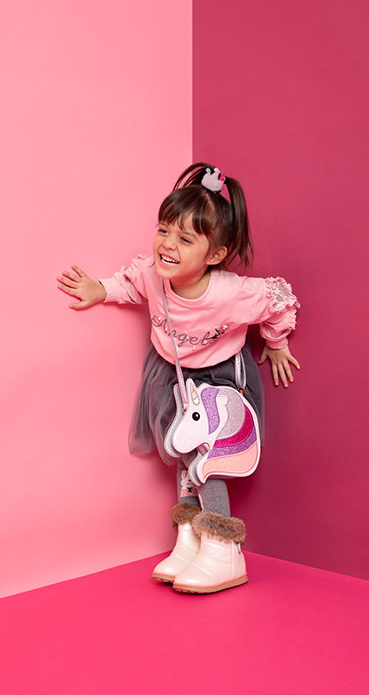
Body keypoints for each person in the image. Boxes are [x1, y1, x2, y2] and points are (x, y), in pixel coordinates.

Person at [57, 162, 300, 594]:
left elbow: (277, 300)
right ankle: (190, 537)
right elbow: (131, 284)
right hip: (173, 375)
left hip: (221, 377)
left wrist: (277, 342)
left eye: (185, 239)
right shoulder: (154, 274)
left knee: (207, 457)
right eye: (164, 230)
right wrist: (101, 289)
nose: (167, 245)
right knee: (182, 452)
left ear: (214, 255)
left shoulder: (231, 293)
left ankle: (224, 548)